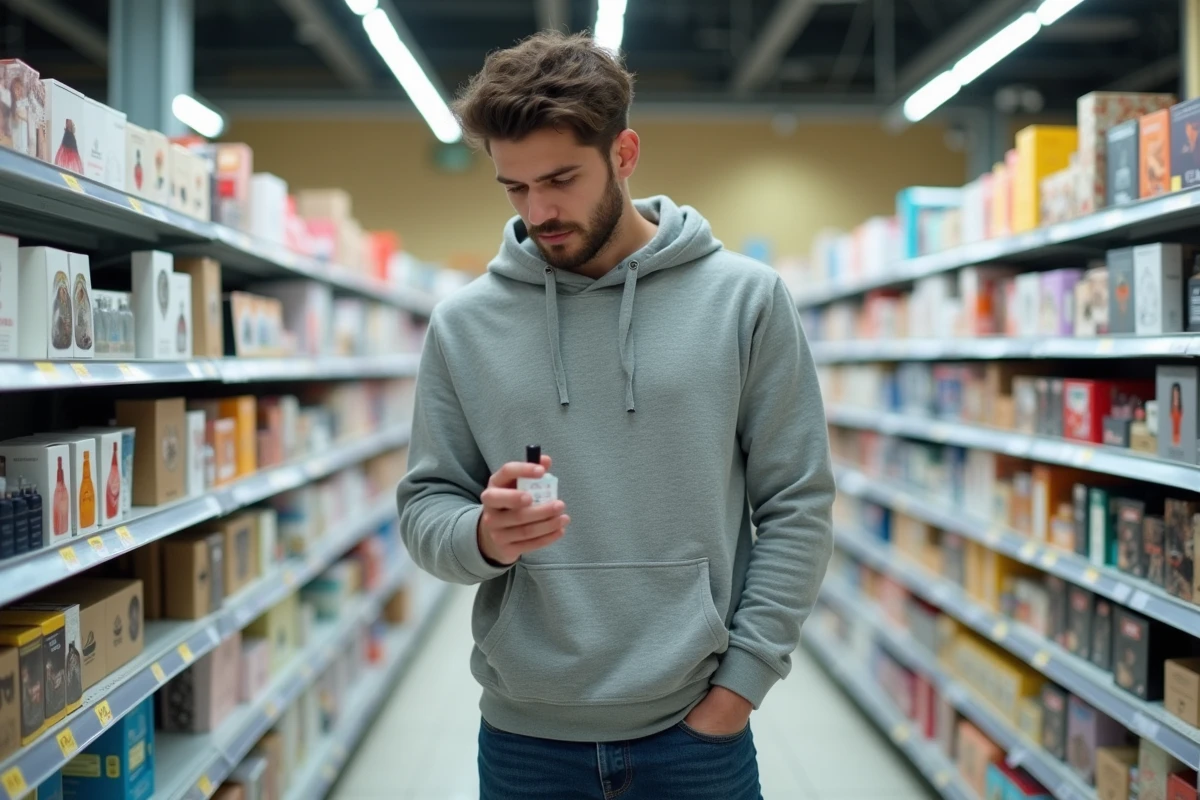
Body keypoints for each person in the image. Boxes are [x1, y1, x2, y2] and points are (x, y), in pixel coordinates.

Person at [396, 30, 835, 800]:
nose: (539, 210)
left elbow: (797, 503)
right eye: (515, 188)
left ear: (624, 155)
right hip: (526, 737)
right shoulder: (463, 325)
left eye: (560, 179)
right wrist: (483, 537)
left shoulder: (744, 300)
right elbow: (425, 507)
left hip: (695, 734)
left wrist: (740, 688)